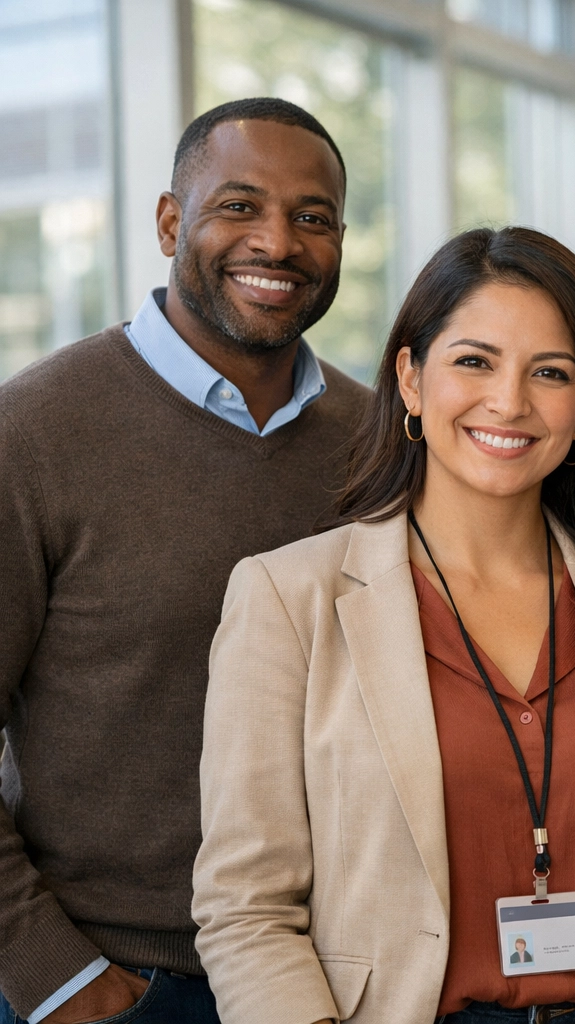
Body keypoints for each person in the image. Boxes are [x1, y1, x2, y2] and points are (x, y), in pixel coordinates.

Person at [192, 227, 575, 1024]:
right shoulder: (287, 599)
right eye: (473, 362)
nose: (509, 402)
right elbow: (247, 909)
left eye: (550, 373)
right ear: (410, 379)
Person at [0, 98, 366, 1024]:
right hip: (116, 978)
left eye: (311, 217)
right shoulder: (32, 433)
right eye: (237, 206)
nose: (277, 243)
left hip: (338, 979)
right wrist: (55, 977)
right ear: (171, 221)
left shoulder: (382, 442)